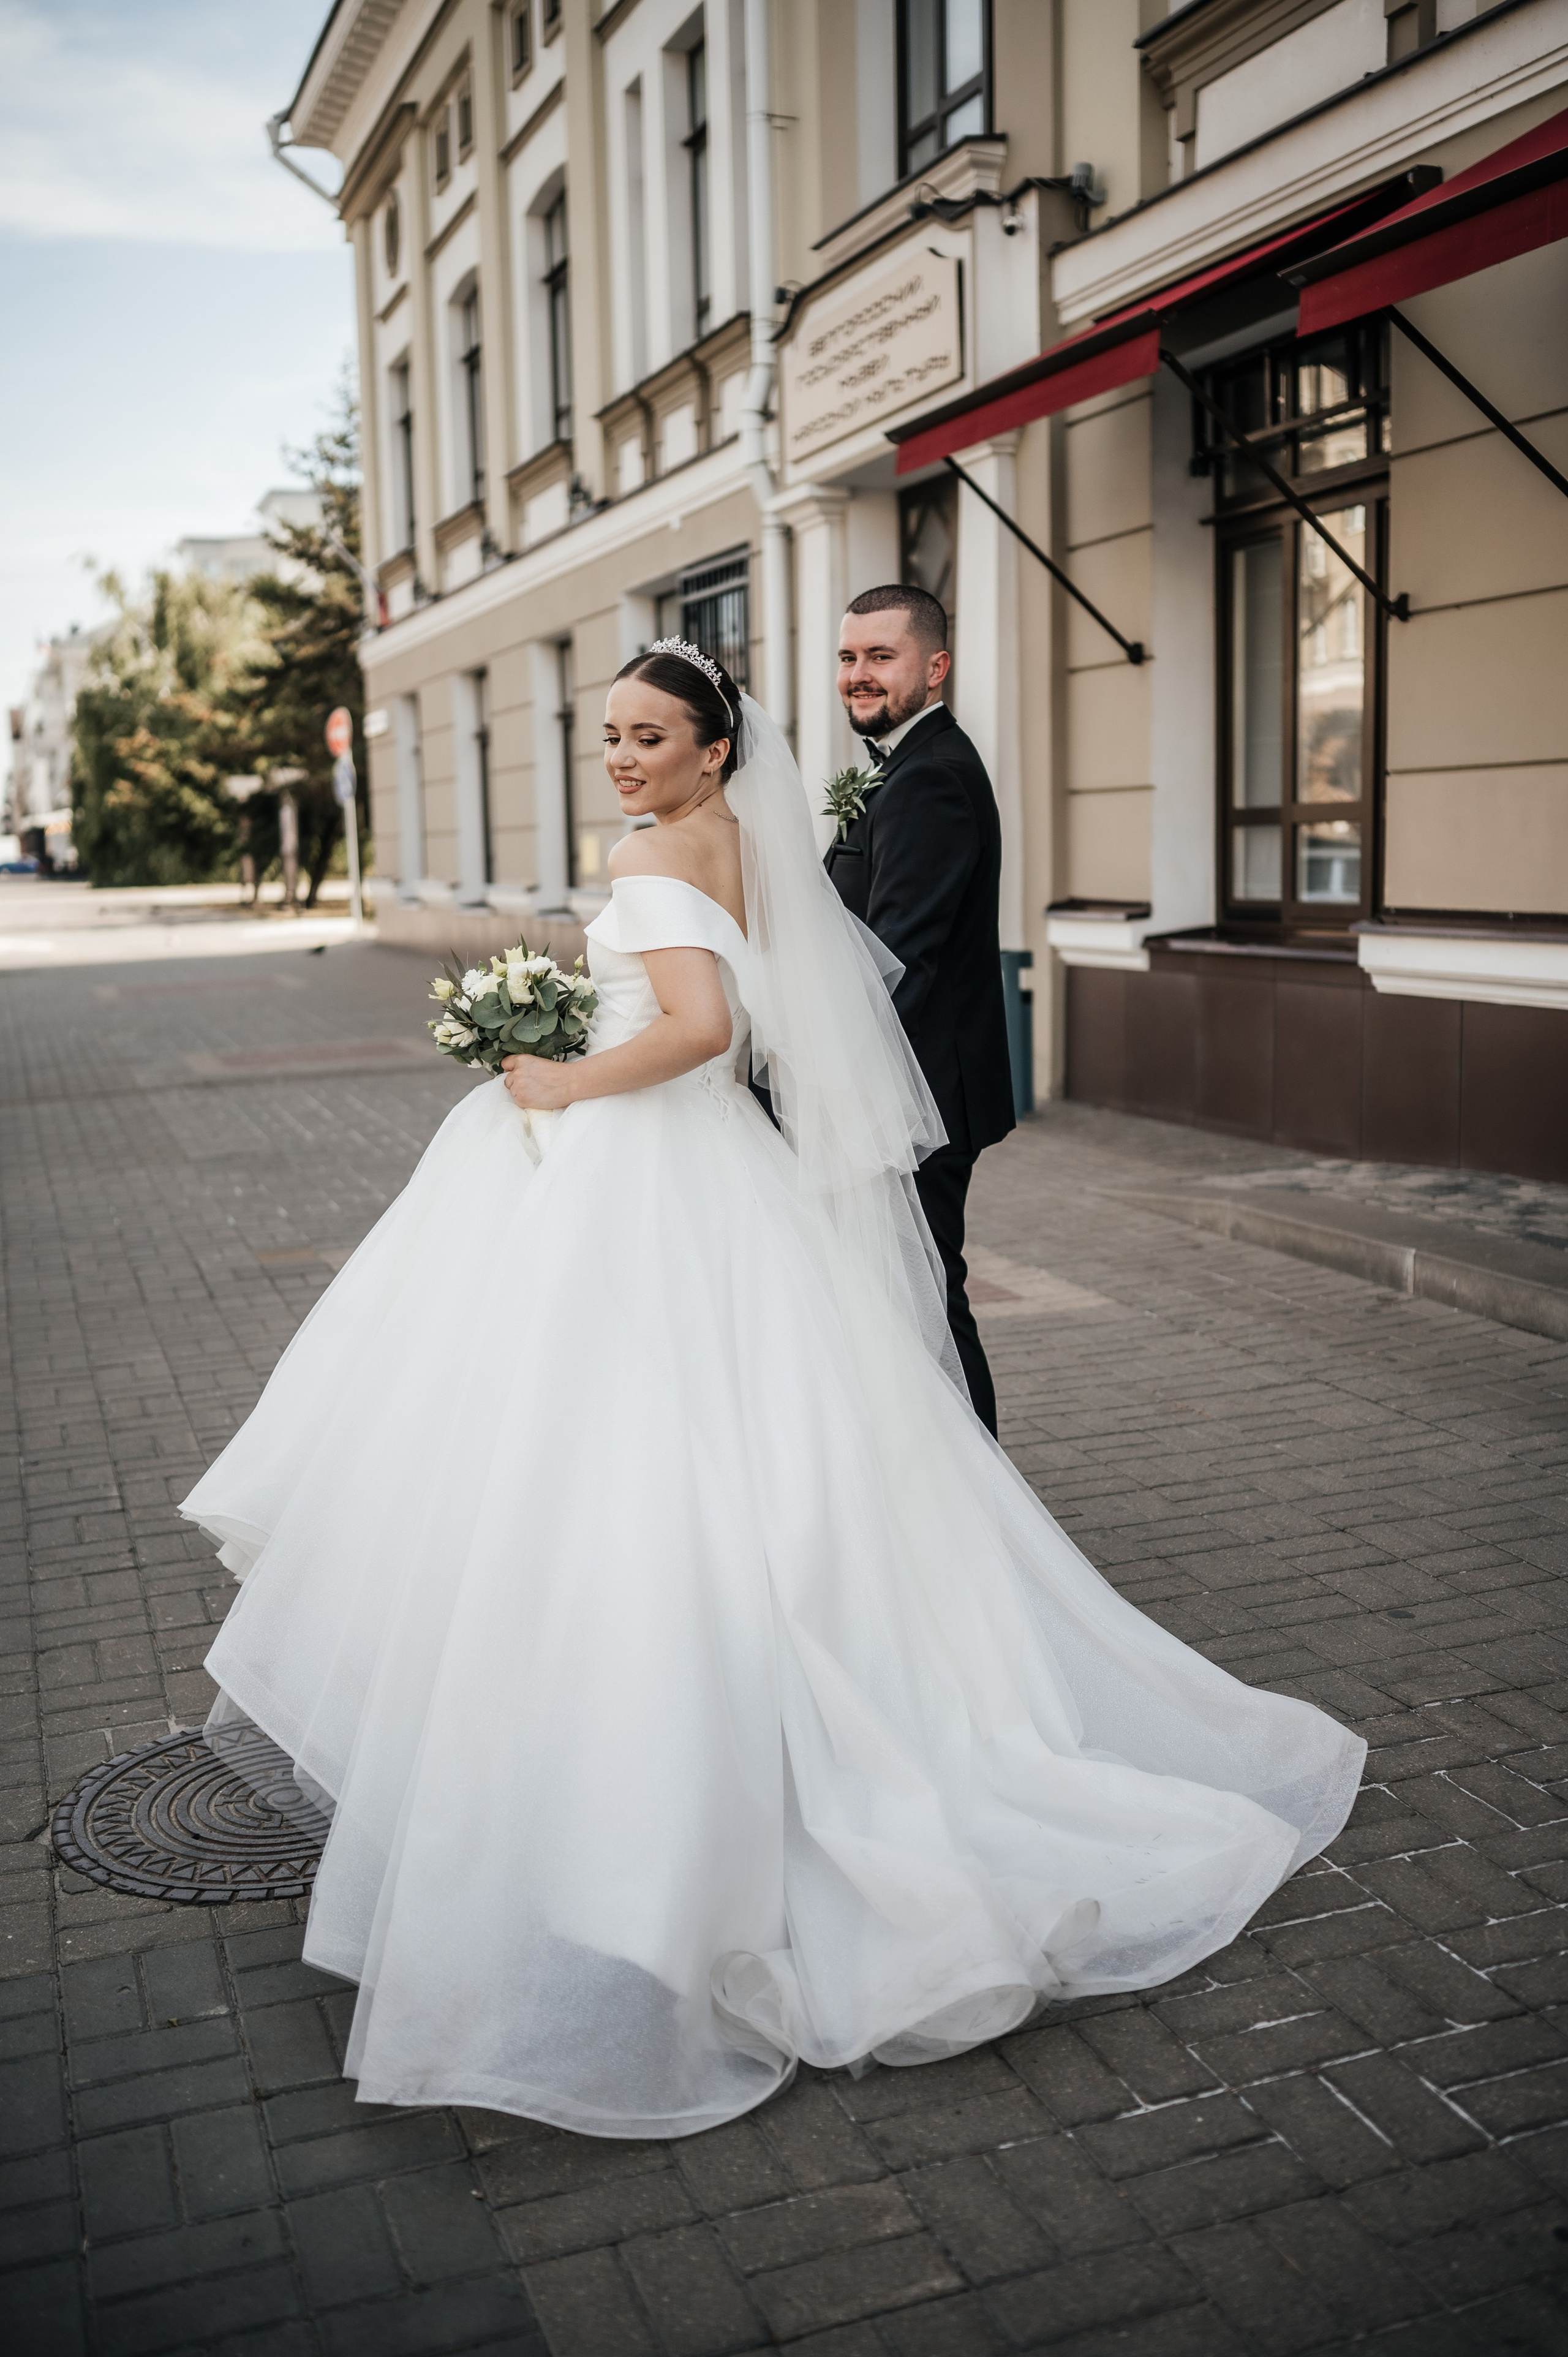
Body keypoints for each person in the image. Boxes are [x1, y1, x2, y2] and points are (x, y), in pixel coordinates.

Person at [181, 644, 1363, 2142]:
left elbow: (698, 1032)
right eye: (606, 734)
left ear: (712, 748)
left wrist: (551, 1079)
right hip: (714, 1180)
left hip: (647, 1172)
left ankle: (631, 1805)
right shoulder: (744, 844)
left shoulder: (655, 855)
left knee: (609, 1454)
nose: (618, 756)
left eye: (647, 735)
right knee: (753, 1455)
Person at [826, 586, 1012, 1434]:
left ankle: (981, 1497)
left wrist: (822, 1076)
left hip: (919, 1093)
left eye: (880, 657)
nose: (858, 676)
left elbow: (900, 961)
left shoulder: (930, 777)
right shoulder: (902, 766)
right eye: (848, 657)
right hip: (911, 1086)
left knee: (929, 1293)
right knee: (913, 1288)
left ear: (934, 668)